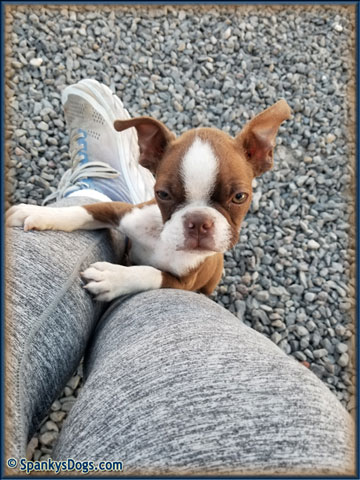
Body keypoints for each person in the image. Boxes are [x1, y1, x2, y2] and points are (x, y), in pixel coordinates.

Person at [5, 80, 354, 476]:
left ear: (259, 154)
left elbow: (184, 283)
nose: (200, 225)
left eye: (235, 198)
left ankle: (97, 187)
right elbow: (110, 214)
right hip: (148, 263)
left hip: (184, 291)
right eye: (170, 196)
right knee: (92, 224)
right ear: (150, 153)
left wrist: (131, 278)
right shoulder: (147, 216)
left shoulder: (200, 258)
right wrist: (59, 220)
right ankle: (88, 194)